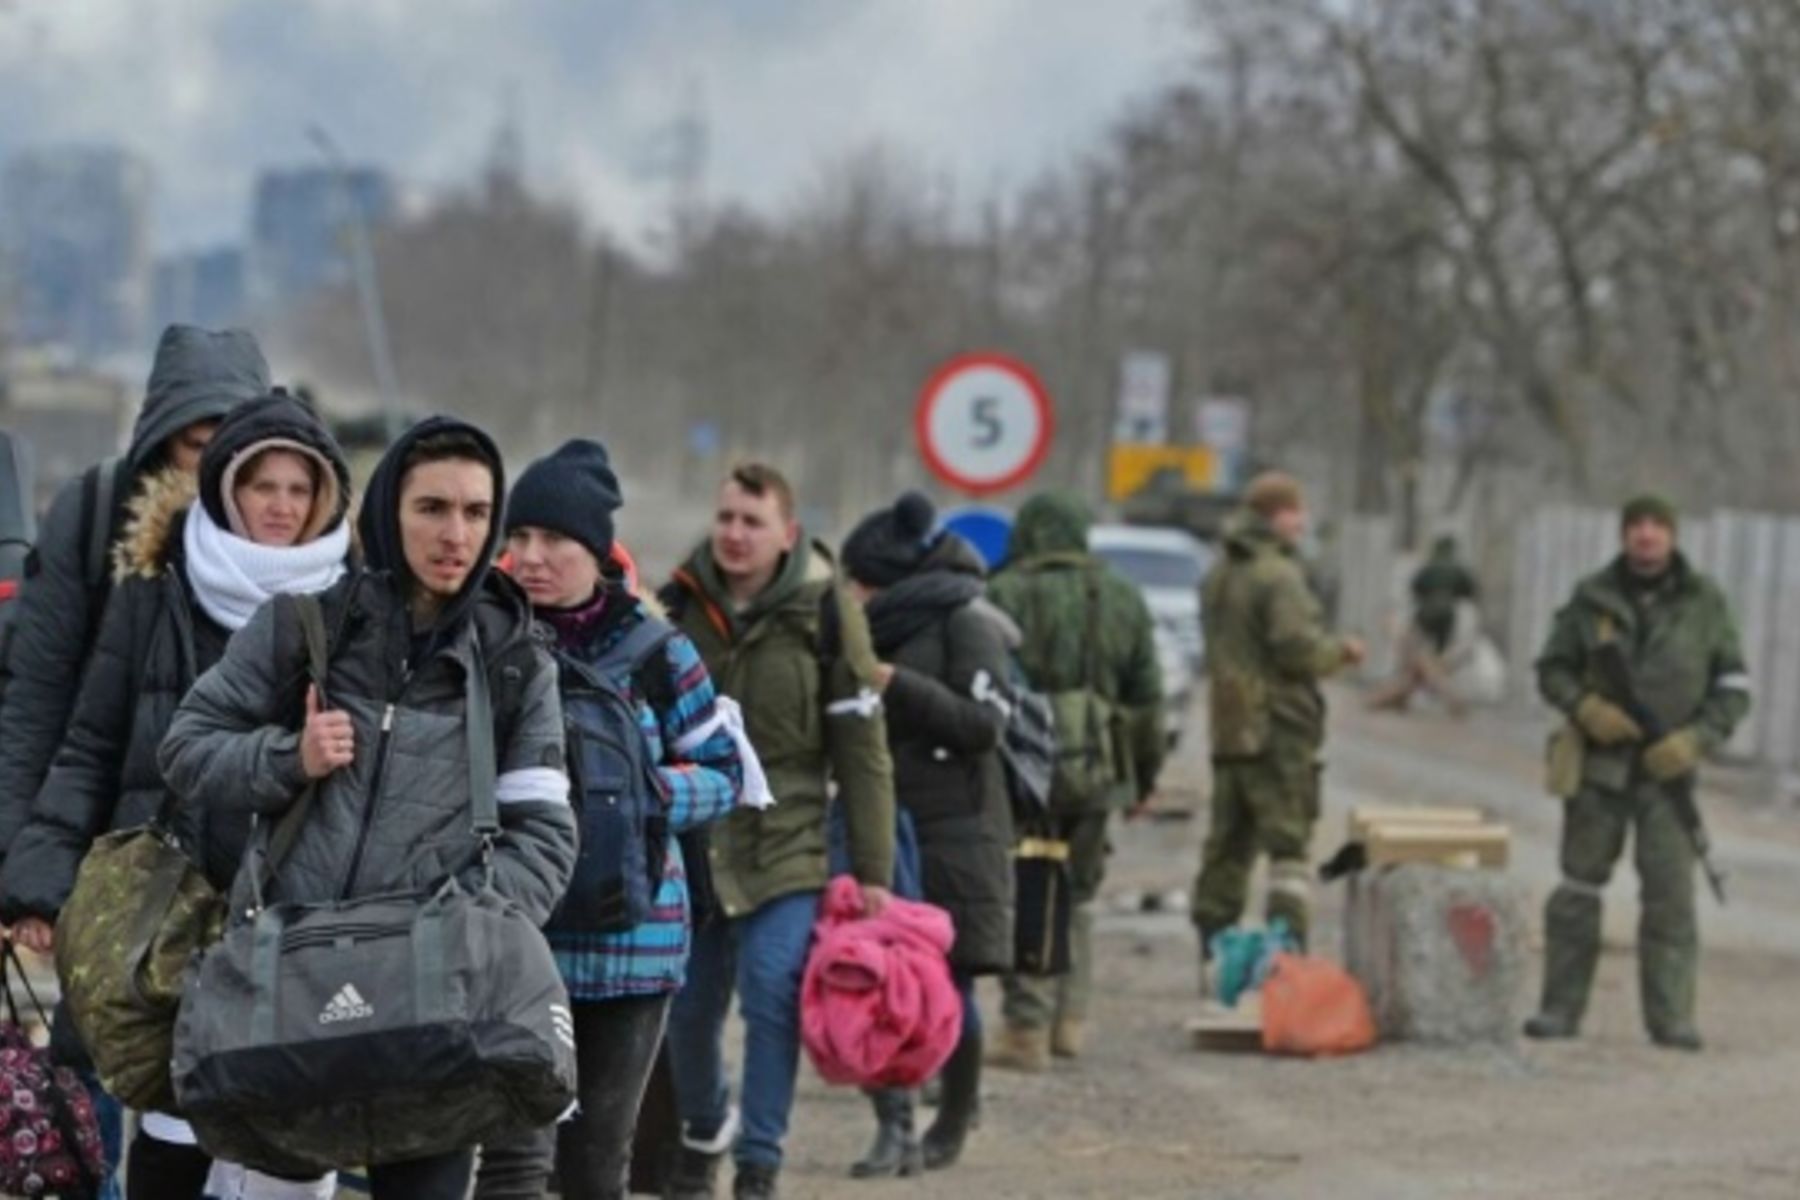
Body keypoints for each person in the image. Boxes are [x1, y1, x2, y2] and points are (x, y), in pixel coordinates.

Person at [159, 417, 577, 1198]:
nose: (455, 534)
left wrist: (470, 933)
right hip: (295, 992)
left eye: (476, 512)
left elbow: (545, 836)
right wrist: (291, 758)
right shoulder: (303, 625)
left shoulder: (518, 661)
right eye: (432, 508)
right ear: (389, 512)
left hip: (436, 1011)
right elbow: (187, 747)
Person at [0, 391, 354, 1198]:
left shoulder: (350, 603)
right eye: (265, 486)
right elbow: (92, 744)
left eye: (300, 490)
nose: (281, 507)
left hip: (300, 911)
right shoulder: (154, 592)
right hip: (170, 911)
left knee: (287, 1145)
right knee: (170, 1131)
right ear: (229, 485)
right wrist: (37, 882)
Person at [472, 440, 743, 1200]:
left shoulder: (660, 652)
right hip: (515, 939)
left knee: (596, 1164)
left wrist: (646, 795)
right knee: (514, 1162)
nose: (530, 557)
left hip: (636, 945)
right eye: (517, 538)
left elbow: (724, 772)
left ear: (596, 549)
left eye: (553, 540)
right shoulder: (480, 640)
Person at [659, 462, 896, 1200]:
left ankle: (760, 1162)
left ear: (786, 535)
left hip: (789, 842)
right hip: (698, 845)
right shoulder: (676, 607)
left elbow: (862, 751)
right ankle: (704, 1129)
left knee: (773, 990)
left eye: (752, 522)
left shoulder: (825, 614)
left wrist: (875, 872)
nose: (734, 534)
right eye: (726, 518)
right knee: (688, 1012)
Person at [0, 325, 267, 868]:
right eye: (197, 446)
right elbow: (38, 697)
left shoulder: (305, 538)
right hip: (114, 855)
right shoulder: (97, 512)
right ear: (163, 438)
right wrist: (18, 864)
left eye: (233, 448)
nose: (214, 465)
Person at [1523, 495, 1749, 1050]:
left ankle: (1671, 1018)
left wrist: (1694, 741)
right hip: (1601, 770)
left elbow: (1733, 688)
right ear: (1624, 535)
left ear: (1672, 535)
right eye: (1636, 527)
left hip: (1667, 778)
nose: (1646, 536)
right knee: (1578, 887)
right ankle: (1558, 1009)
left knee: (1670, 897)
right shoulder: (1593, 598)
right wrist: (1587, 710)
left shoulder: (1705, 603)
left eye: (1657, 526)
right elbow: (1553, 669)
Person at [838, 491, 1015, 1175]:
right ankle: (897, 1125)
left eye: (862, 581)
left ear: (891, 580)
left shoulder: (966, 622)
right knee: (884, 980)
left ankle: (952, 1120)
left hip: (960, 829)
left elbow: (982, 725)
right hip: (891, 824)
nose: (853, 593)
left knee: (953, 983)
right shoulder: (872, 626)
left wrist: (896, 684)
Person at [986, 490, 1164, 1073]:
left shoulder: (1004, 593)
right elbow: (1146, 699)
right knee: (1079, 893)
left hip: (1024, 765)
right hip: (1099, 763)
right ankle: (1071, 1021)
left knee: (1031, 880)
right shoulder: (1122, 596)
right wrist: (1142, 779)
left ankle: (1025, 1027)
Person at [1191, 472, 1364, 960]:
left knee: (1227, 845)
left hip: (1230, 727)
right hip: (1278, 729)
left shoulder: (1219, 572)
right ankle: (1285, 963)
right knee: (1288, 849)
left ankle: (1214, 960)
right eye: (1295, 511)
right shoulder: (1278, 575)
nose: (1303, 521)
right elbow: (1296, 650)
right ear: (1274, 515)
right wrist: (1341, 652)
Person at [1368, 534, 1479, 715]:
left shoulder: (1429, 567)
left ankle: (1442, 695)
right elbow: (1469, 592)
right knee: (1432, 659)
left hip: (1426, 614)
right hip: (1448, 617)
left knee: (1418, 657)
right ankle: (1406, 694)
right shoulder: (1459, 569)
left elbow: (1415, 589)